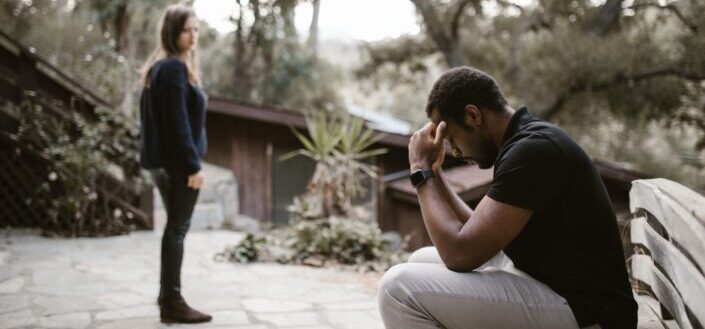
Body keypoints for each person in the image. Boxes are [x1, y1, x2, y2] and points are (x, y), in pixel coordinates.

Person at [378, 67, 637, 329]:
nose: (454, 151)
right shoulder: (523, 141)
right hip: (554, 285)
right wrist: (434, 171)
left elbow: (460, 254)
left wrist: (419, 171)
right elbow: (476, 233)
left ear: (472, 115)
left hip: (589, 313)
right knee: (420, 259)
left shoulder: (533, 150)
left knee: (398, 288)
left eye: (453, 138)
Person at [139, 4, 210, 324]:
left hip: (165, 164)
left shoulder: (161, 68)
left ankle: (167, 295)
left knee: (174, 229)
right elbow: (177, 124)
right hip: (178, 166)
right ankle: (172, 301)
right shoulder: (173, 69)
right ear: (172, 32)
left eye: (196, 29)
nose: (193, 35)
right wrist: (193, 166)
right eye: (187, 30)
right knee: (177, 230)